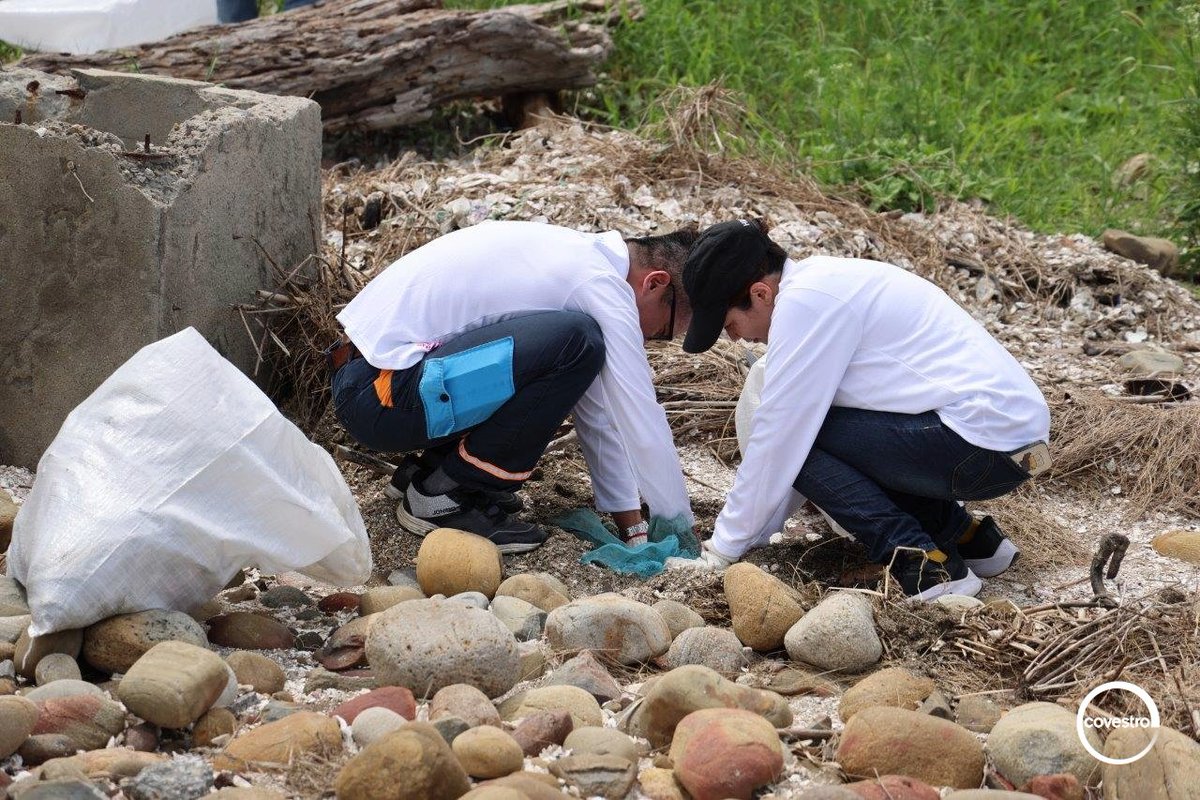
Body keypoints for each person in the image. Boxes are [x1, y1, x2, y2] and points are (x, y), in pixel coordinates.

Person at [676, 220, 1051, 600]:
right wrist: (758, 530)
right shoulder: (828, 281)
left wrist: (723, 548)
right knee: (818, 432)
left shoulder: (804, 304)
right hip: (1012, 443)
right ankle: (970, 540)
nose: (734, 337)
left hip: (979, 445)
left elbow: (779, 441)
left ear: (760, 294)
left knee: (800, 437)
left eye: (729, 323)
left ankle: (925, 565)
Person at [330, 220, 697, 553]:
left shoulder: (578, 254)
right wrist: (678, 528)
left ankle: (432, 470)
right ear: (655, 282)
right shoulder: (599, 283)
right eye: (662, 332)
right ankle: (443, 495)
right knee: (579, 342)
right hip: (381, 395)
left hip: (371, 380)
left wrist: (632, 527)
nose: (646, 340)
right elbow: (637, 411)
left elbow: (598, 410)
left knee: (577, 346)